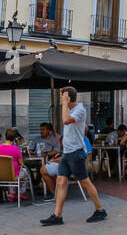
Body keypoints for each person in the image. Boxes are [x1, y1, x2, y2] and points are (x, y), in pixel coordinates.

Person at [41, 86, 106, 226]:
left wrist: (64, 104)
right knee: (61, 181)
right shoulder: (71, 109)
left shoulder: (79, 109)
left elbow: (65, 120)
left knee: (85, 182)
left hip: (76, 153)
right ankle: (57, 216)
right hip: (67, 153)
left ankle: (100, 210)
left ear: (68, 97)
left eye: (63, 97)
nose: (61, 99)